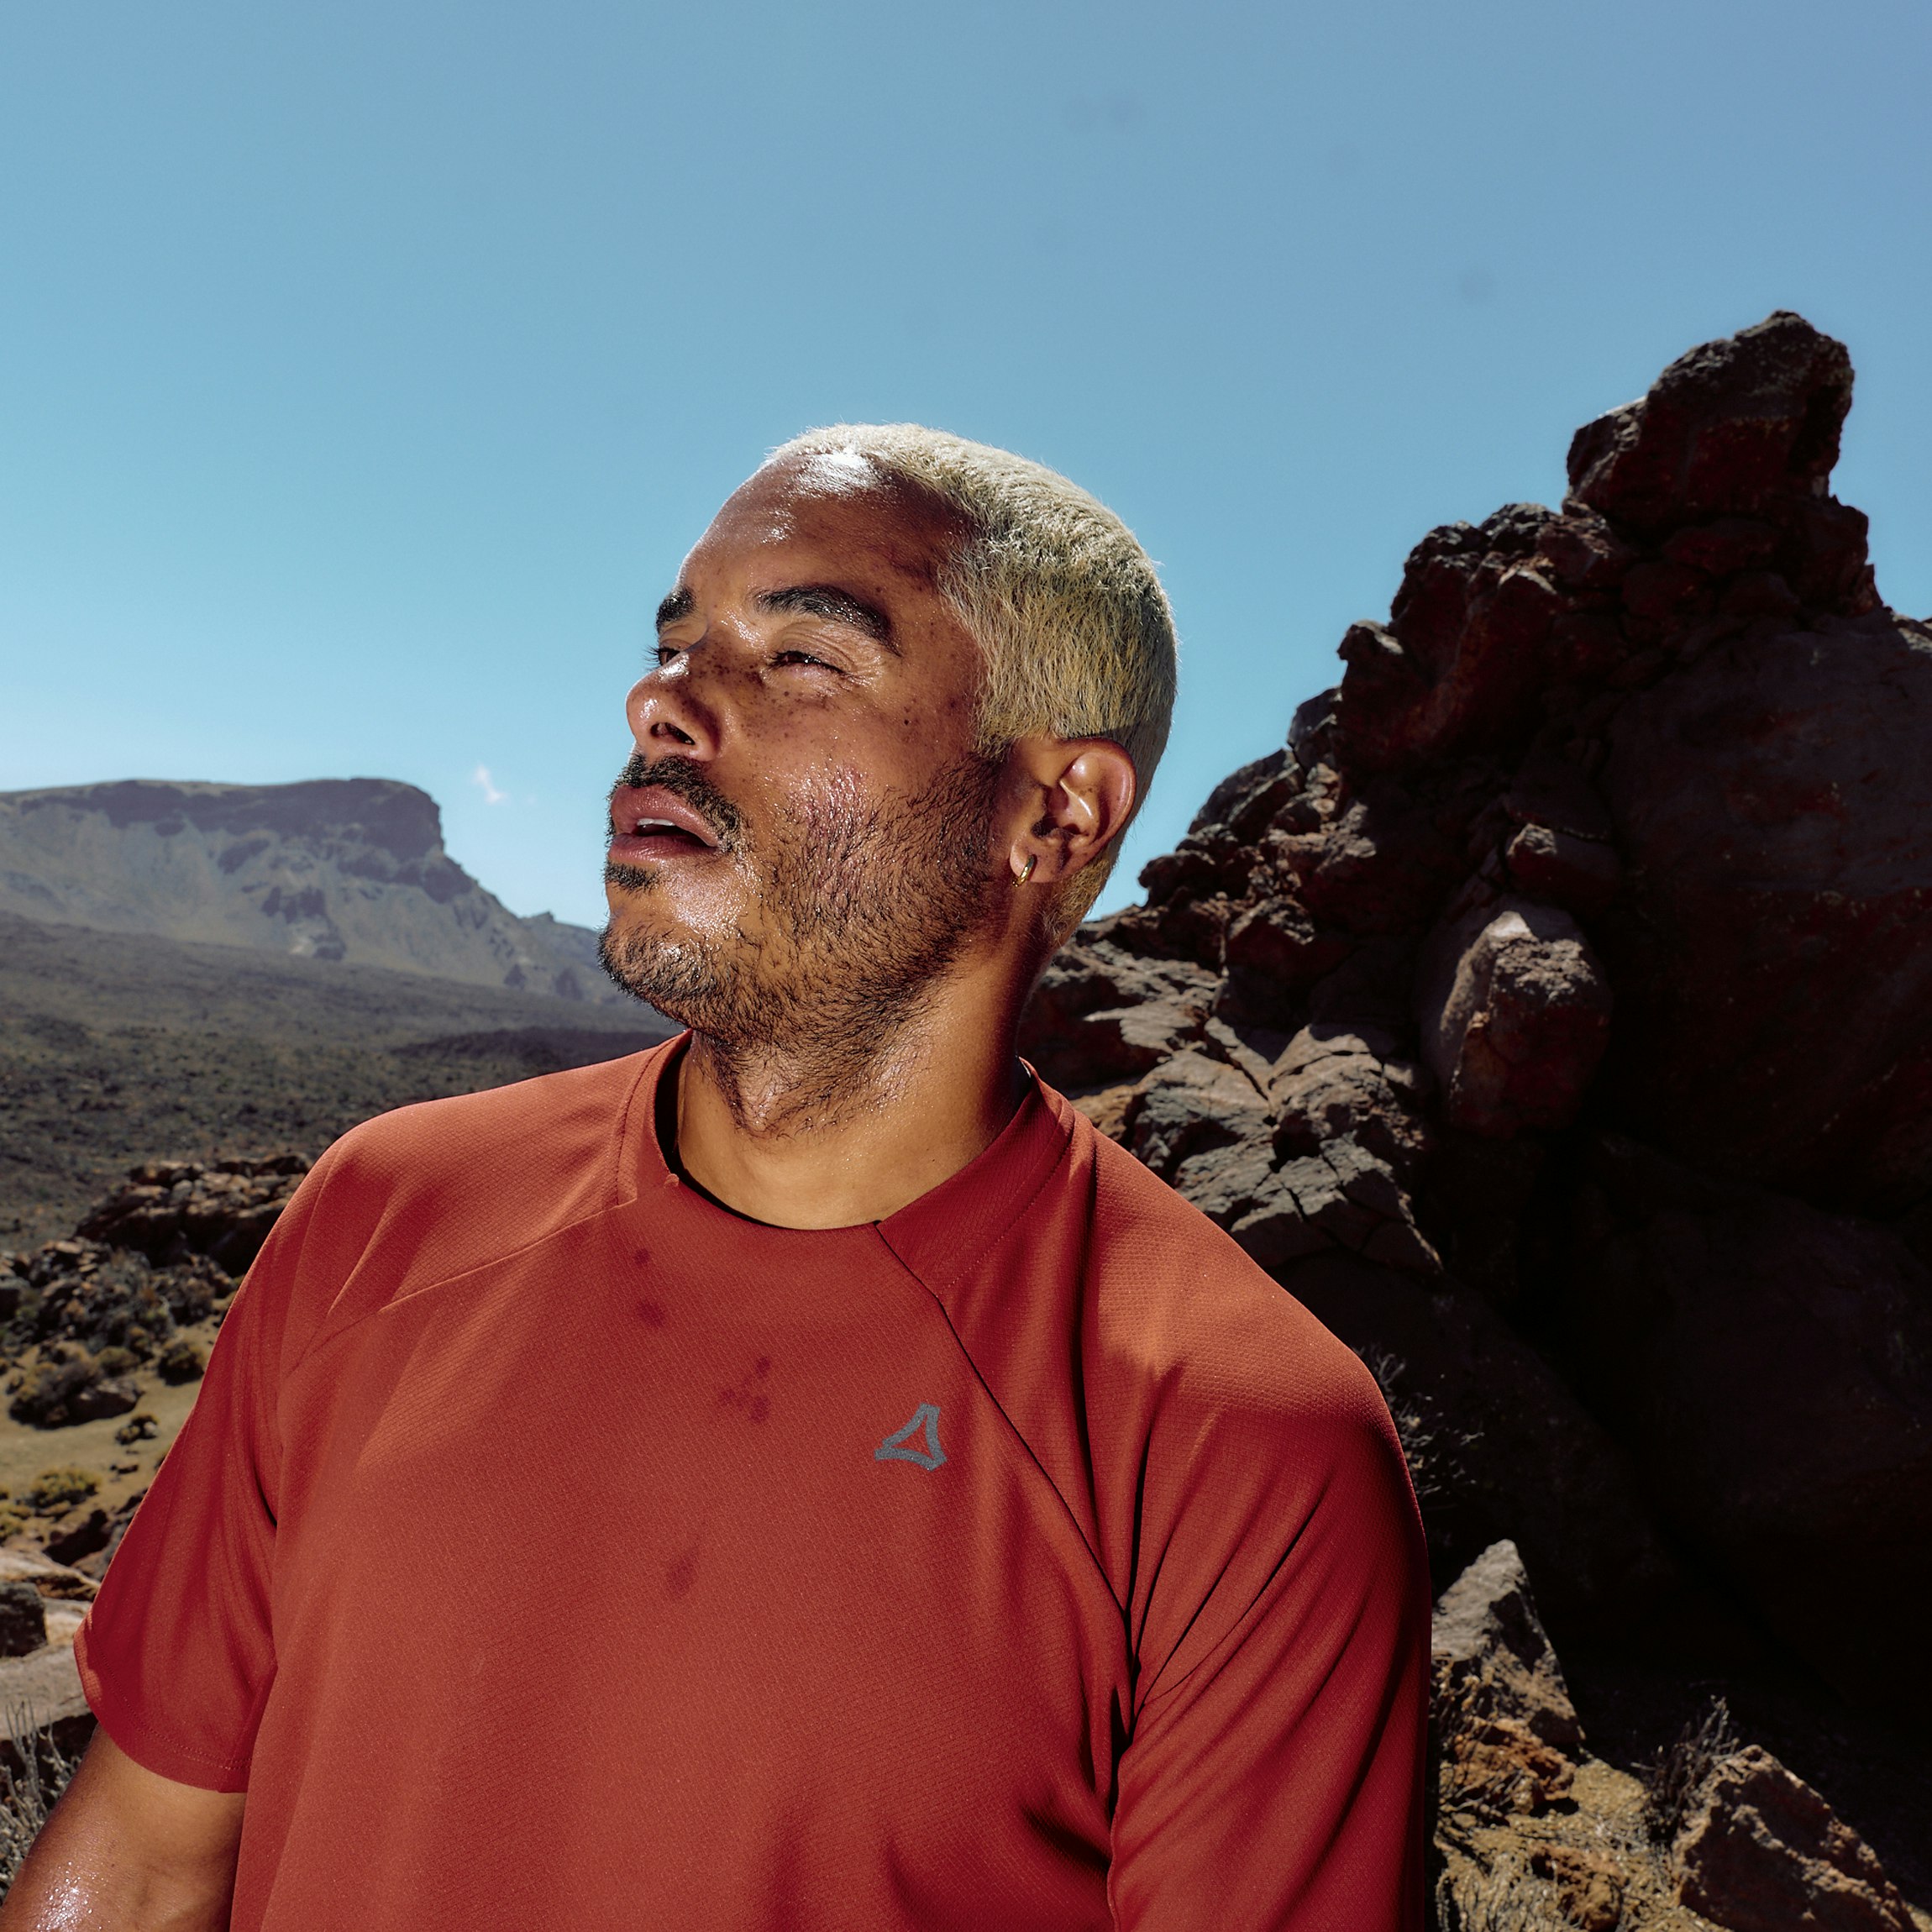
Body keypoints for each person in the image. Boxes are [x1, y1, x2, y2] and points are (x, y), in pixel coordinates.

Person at [3, 428, 1429, 1930]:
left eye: (802, 656)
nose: (662, 701)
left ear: (1055, 814)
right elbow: (144, 1867)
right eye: (675, 645)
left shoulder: (1242, 1447)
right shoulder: (386, 1213)